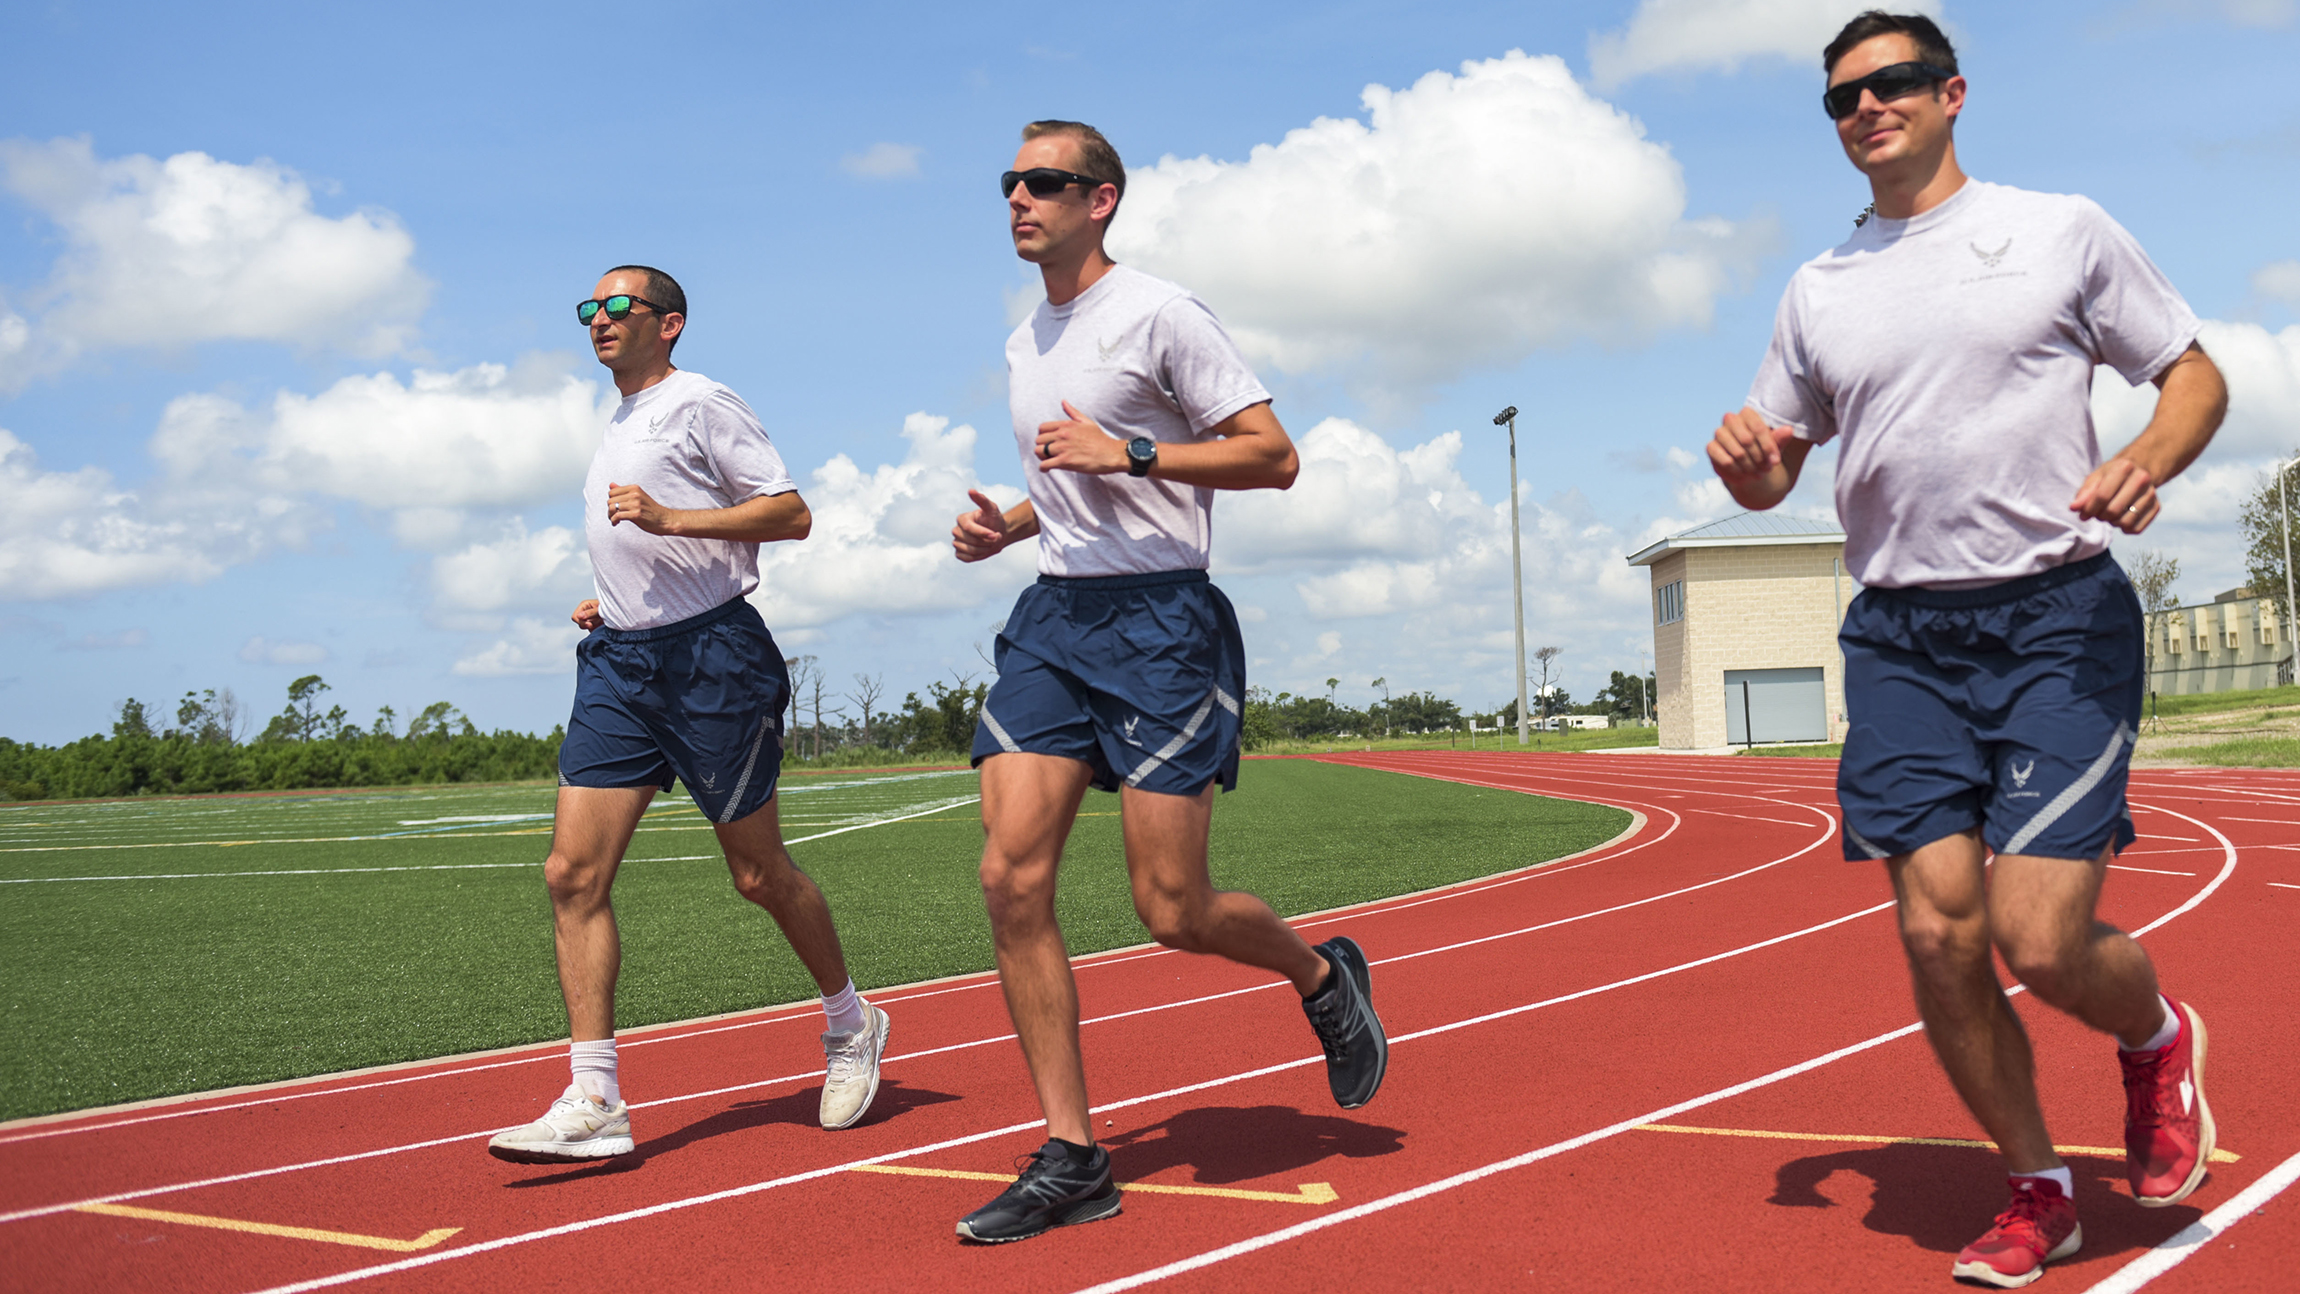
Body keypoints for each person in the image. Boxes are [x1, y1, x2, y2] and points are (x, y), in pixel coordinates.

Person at [1708, 13, 2228, 1288]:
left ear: (1949, 94)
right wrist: (1745, 467)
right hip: (1898, 635)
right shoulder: (1818, 287)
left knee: (2034, 937)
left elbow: (2192, 376)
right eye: (1840, 97)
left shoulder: (2057, 230)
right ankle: (2036, 1187)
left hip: (2053, 616)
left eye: (1890, 82)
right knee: (1939, 936)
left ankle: (2155, 1037)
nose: (1865, 107)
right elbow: (1774, 473)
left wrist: (2144, 459)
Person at [945, 121, 1388, 1243]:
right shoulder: (1024, 342)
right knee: (1008, 878)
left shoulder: (1161, 314)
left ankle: (1320, 975)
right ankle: (1074, 1155)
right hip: (1055, 618)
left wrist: (1132, 451)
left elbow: (1272, 455)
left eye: (1043, 182)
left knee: (1172, 909)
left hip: (1160, 625)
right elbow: (1073, 481)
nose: (1019, 198)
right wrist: (1012, 525)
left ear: (1101, 198)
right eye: (1009, 182)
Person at [487, 266, 890, 1164]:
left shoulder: (701, 402)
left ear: (668, 323)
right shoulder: (617, 422)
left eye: (617, 306)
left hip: (713, 659)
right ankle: (596, 1096)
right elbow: (632, 549)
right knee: (570, 874)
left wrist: (670, 520)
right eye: (589, 309)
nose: (599, 320)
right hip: (620, 665)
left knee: (757, 874)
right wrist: (612, 602)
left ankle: (851, 1022)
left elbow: (791, 514)